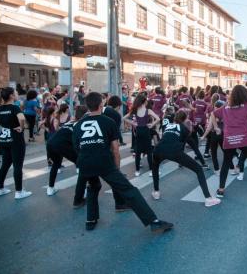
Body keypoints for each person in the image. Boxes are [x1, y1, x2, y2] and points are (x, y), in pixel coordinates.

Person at [72, 91, 173, 232]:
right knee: (129, 190)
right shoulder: (108, 122)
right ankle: (153, 221)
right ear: (101, 105)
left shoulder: (77, 125)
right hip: (104, 162)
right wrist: (117, 169)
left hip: (85, 162)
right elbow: (115, 149)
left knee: (93, 187)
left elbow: (76, 148)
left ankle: (90, 220)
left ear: (87, 106)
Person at [151, 110, 221, 207]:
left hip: (158, 149)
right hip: (174, 152)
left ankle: (156, 192)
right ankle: (208, 198)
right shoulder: (184, 128)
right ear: (184, 119)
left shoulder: (168, 126)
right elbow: (190, 144)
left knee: (155, 168)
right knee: (198, 169)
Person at [0, 87, 31, 199]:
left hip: (4, 140)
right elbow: (22, 118)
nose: (17, 94)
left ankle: (0, 188)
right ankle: (19, 191)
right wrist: (21, 128)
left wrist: (1, 124)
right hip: (16, 140)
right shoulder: (14, 107)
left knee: (5, 164)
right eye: (16, 93)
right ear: (12, 96)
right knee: (17, 165)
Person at [46, 106, 88, 205]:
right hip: (62, 144)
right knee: (80, 163)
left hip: (51, 143)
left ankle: (50, 188)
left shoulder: (70, 122)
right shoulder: (82, 124)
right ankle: (83, 191)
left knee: (55, 165)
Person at [124, 94, 160, 177]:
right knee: (149, 151)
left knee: (138, 151)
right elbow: (158, 118)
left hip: (138, 131)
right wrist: (152, 124)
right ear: (144, 102)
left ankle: (137, 171)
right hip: (146, 130)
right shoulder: (148, 111)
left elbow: (124, 118)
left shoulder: (135, 110)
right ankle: (151, 170)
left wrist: (133, 123)